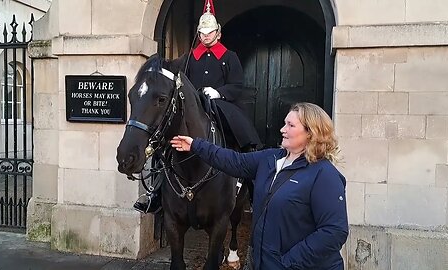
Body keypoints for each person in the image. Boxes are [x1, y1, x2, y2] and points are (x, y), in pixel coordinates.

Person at [170, 102, 349, 269]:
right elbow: (234, 161)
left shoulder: (324, 175)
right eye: (284, 123)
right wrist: (196, 145)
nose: (282, 129)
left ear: (311, 133)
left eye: (290, 125)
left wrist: (287, 263)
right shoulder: (270, 158)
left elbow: (334, 232)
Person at [133, 0, 261, 213]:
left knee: (239, 134)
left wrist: (219, 92)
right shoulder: (190, 58)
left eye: (209, 32)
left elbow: (237, 86)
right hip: (194, 105)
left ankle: (251, 186)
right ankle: (155, 192)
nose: (205, 36)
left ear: (218, 33)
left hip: (221, 103)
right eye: (202, 33)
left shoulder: (229, 57)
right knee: (166, 138)